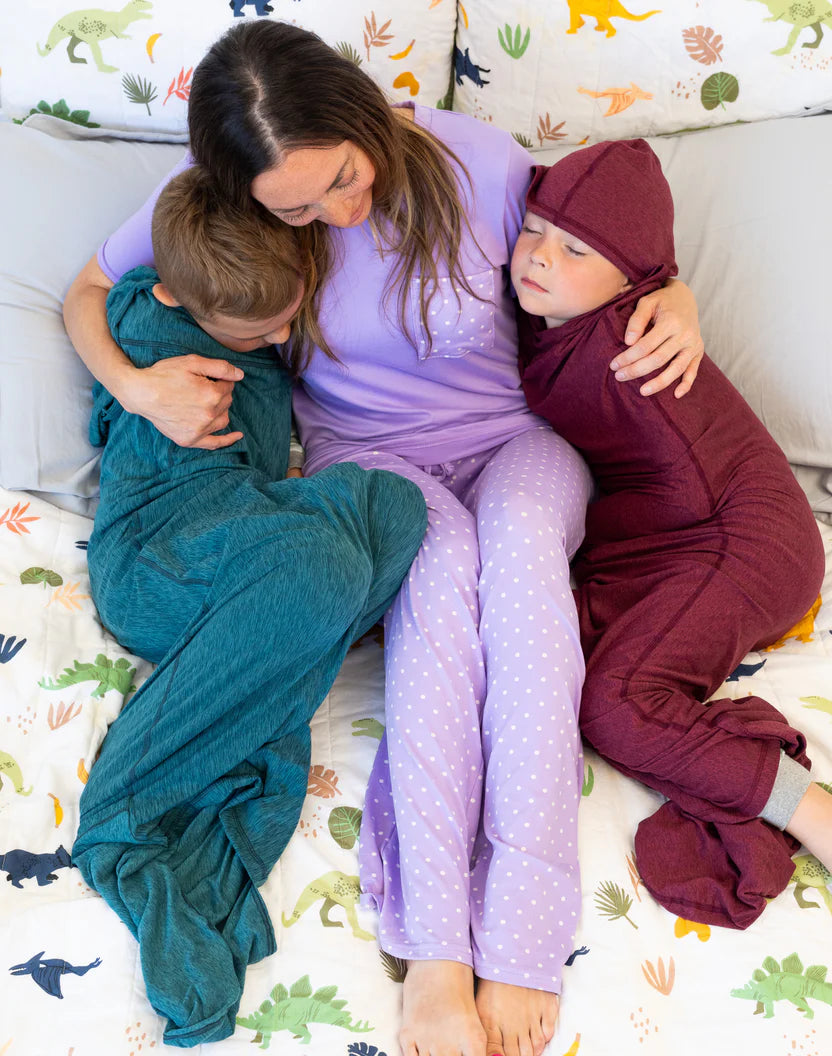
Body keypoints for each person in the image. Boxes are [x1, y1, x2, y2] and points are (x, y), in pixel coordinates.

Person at [62, 21, 707, 1056]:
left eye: (347, 180)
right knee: (441, 581)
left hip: (513, 438)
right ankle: (437, 950)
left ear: (365, 116)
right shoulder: (228, 193)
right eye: (302, 210)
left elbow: (604, 243)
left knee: (523, 557)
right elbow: (89, 293)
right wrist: (133, 385)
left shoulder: (480, 161)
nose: (338, 215)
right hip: (370, 459)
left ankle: (524, 935)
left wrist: (671, 291)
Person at [72, 165, 429, 1045]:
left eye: (287, 314)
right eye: (258, 327)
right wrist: (135, 383)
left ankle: (262, 660)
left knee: (395, 508)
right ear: (177, 297)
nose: (280, 335)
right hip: (161, 555)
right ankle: (128, 814)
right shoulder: (150, 315)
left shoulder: (262, 276)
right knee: (317, 565)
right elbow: (92, 294)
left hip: (254, 534)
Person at [512, 139, 831, 932]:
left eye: (576, 249)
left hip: (749, 542)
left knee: (614, 705)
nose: (540, 258)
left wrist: (673, 293)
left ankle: (811, 809)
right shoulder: (545, 307)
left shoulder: (633, 336)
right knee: (536, 636)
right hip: (658, 537)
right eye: (532, 230)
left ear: (634, 278)